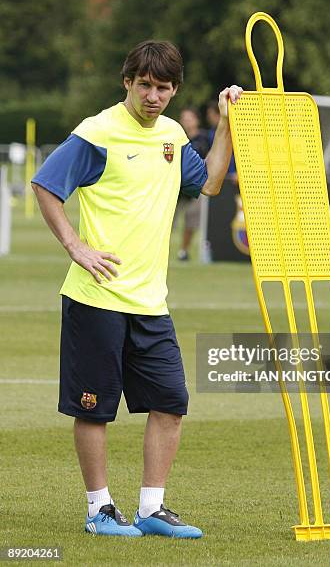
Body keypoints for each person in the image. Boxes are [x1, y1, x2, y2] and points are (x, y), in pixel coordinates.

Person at [31, 39, 243, 538]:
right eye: (144, 85)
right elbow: (46, 185)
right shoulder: (96, 132)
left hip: (151, 302)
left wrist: (228, 122)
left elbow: (209, 182)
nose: (153, 95)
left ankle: (152, 509)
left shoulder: (171, 134)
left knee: (172, 402)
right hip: (95, 298)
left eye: (163, 87)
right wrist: (75, 246)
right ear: (127, 82)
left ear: (174, 91)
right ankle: (100, 509)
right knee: (94, 409)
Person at [176, 107, 210, 261]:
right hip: (177, 187)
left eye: (189, 118)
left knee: (191, 220)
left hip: (196, 187)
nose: (186, 121)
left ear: (196, 120)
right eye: (184, 118)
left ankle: (183, 251)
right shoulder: (175, 137)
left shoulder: (204, 138)